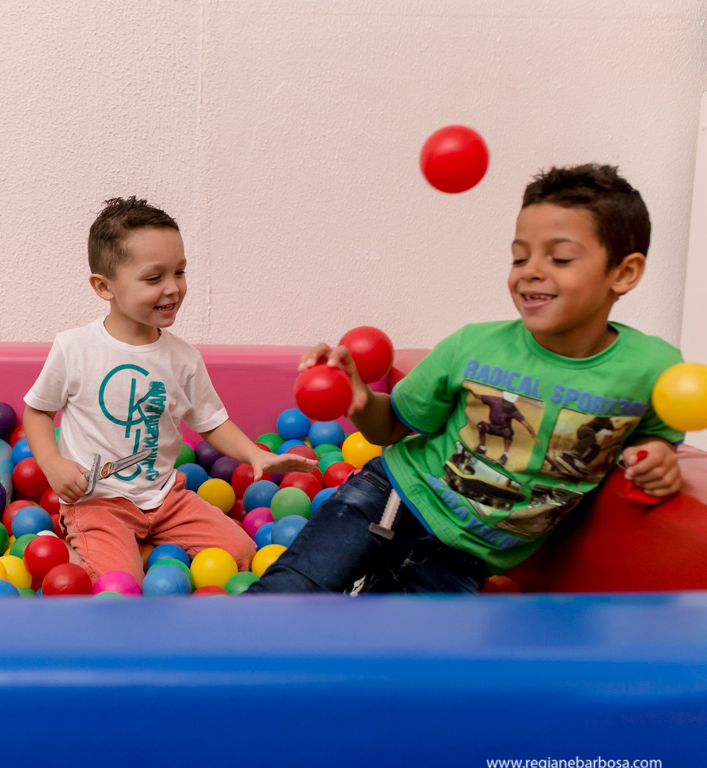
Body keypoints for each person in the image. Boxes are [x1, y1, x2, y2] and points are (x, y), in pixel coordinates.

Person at [247, 164, 684, 595]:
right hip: (390, 502)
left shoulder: (652, 369)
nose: (530, 270)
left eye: (561, 257)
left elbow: (656, 433)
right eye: (519, 256)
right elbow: (393, 428)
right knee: (286, 600)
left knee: (417, 664)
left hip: (463, 563)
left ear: (623, 273)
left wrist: (658, 453)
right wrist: (359, 400)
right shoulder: (473, 348)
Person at [23, 197, 315, 585]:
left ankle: (142, 544)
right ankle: (85, 548)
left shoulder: (182, 358)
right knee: (119, 582)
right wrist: (52, 463)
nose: (173, 288)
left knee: (241, 553)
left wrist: (253, 453)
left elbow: (211, 422)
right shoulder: (74, 348)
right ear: (103, 286)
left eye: (179, 272)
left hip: (165, 498)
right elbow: (38, 412)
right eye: (153, 278)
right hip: (97, 502)